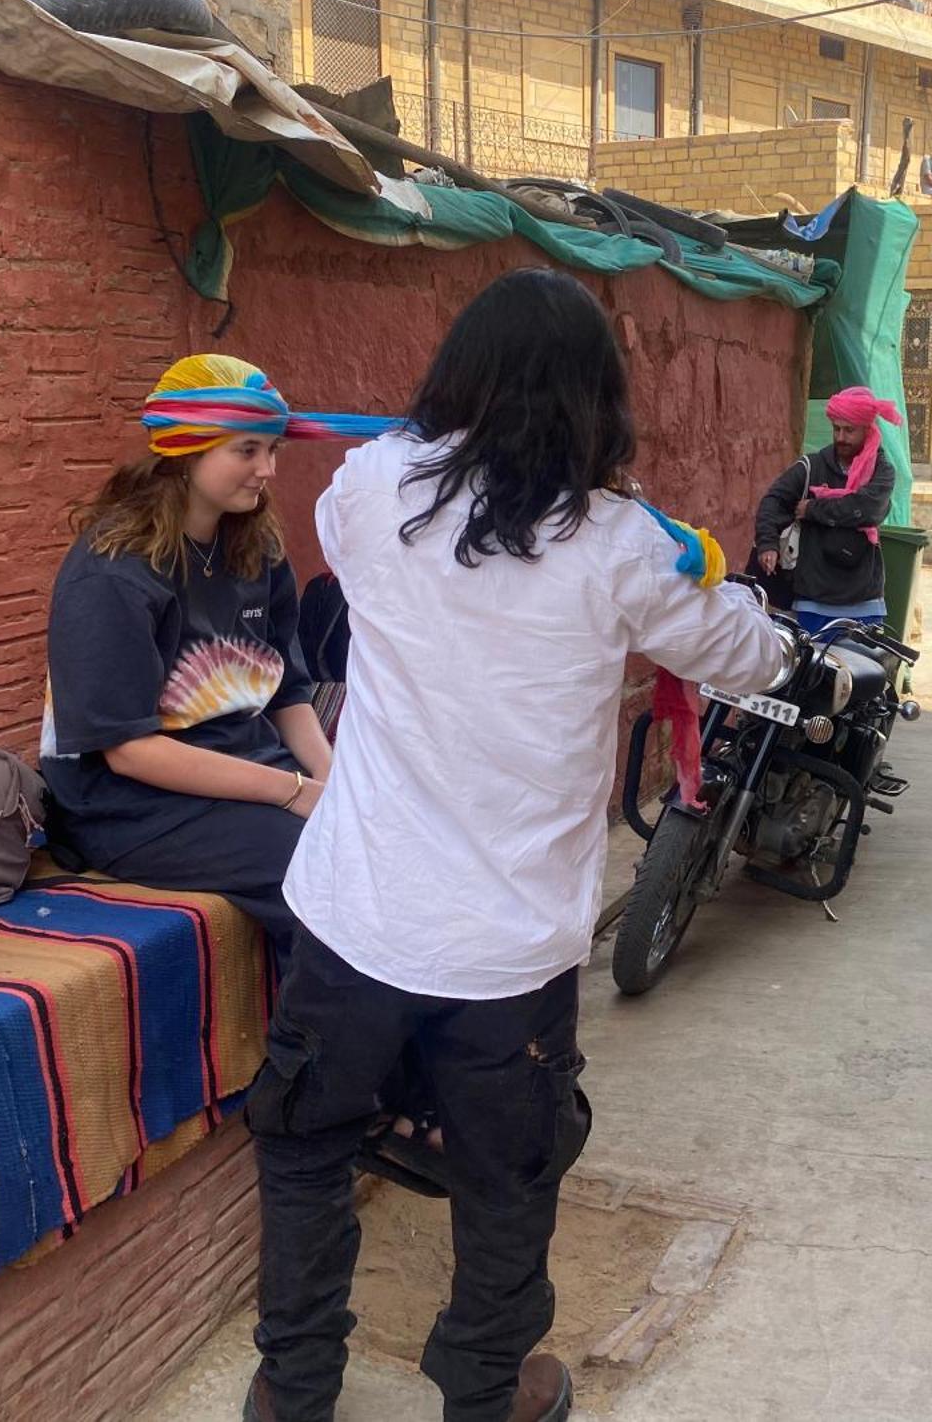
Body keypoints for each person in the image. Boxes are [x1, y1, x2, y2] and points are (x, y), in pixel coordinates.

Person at [245, 270, 789, 1422]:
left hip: (355, 920)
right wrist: (706, 569)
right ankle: (482, 1395)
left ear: (456, 379)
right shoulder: (624, 550)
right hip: (504, 956)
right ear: (598, 403)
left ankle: (291, 1393)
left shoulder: (373, 484)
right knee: (505, 1188)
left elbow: (358, 524)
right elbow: (752, 659)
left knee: (304, 1156)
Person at [40, 354, 392, 965]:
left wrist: (330, 779)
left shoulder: (256, 546)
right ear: (185, 451)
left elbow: (286, 691)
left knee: (388, 841)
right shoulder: (112, 575)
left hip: (249, 768)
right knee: (325, 875)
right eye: (248, 451)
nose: (268, 470)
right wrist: (292, 793)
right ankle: (317, 1052)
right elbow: (128, 750)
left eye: (273, 450)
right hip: (131, 806)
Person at [754, 387, 900, 634]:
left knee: (864, 669)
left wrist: (813, 509)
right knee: (812, 671)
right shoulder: (811, 467)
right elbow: (774, 501)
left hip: (864, 601)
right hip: (814, 599)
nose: (841, 437)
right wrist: (767, 543)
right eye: (837, 429)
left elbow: (866, 509)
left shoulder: (881, 471)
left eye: (849, 430)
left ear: (867, 430)